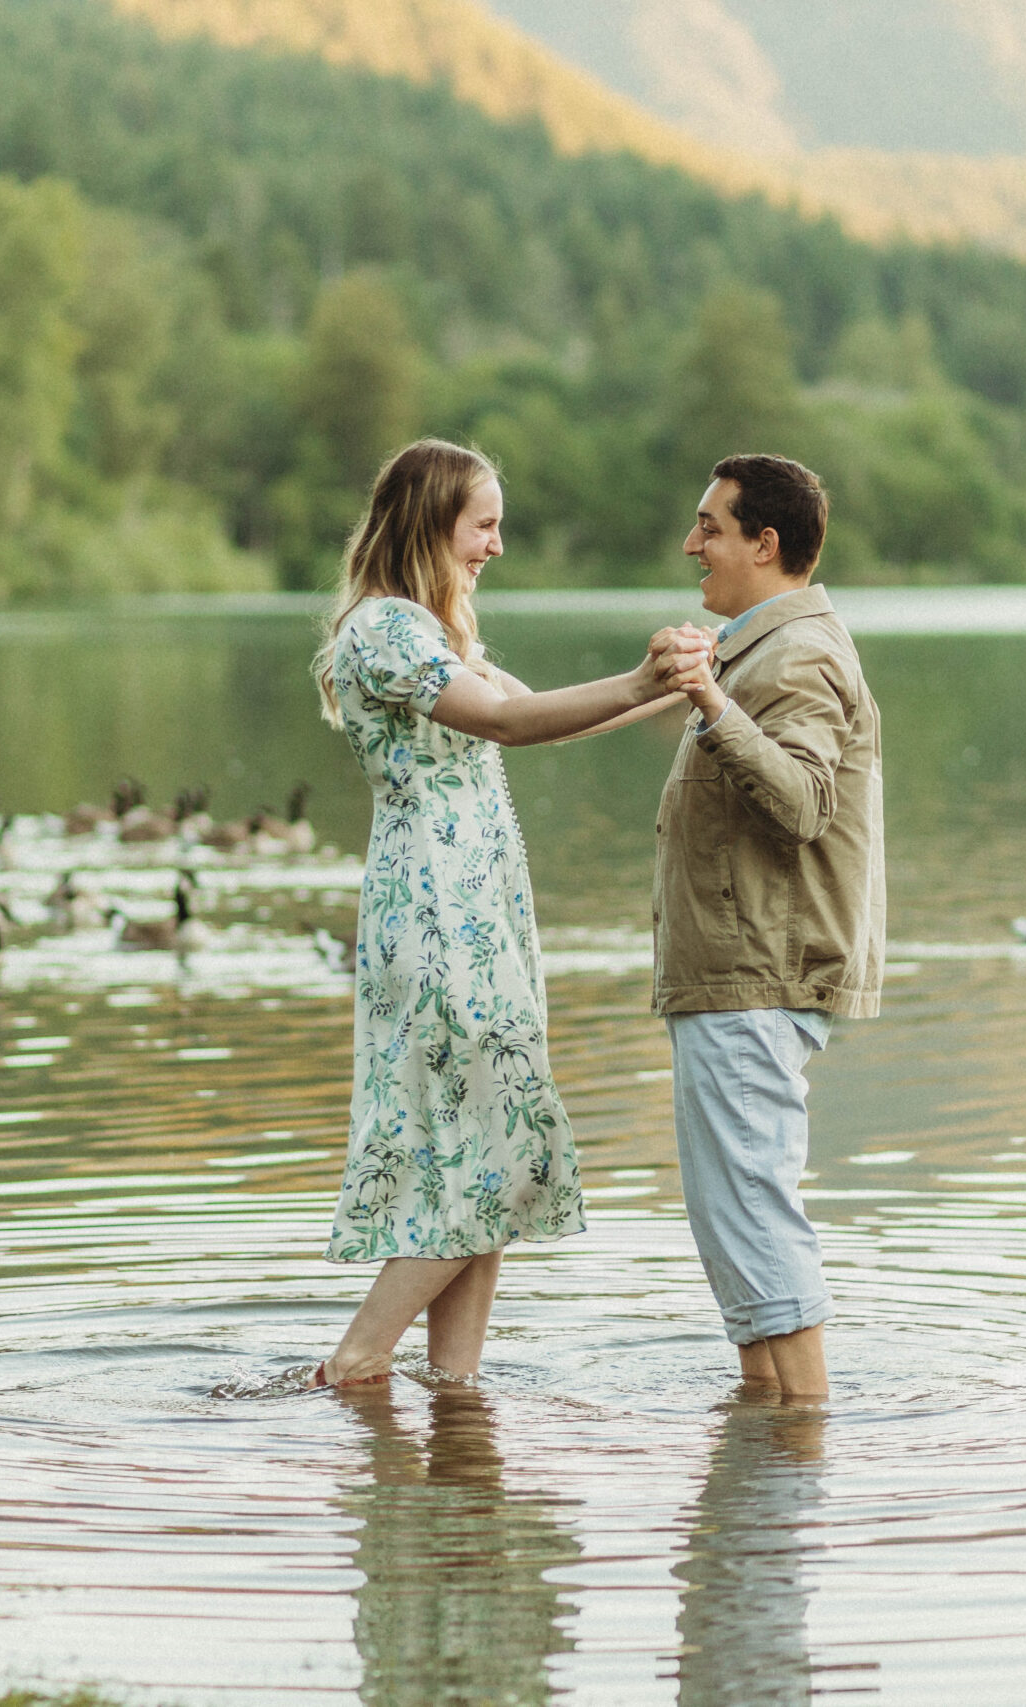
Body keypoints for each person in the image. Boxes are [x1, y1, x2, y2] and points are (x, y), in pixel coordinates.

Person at [308, 438, 711, 1390]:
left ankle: (455, 1391)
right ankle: (358, 1360)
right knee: (493, 1151)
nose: (496, 544)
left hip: (477, 909)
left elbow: (552, 714)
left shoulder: (438, 633)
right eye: (483, 524)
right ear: (430, 521)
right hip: (439, 914)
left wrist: (683, 685)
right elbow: (503, 723)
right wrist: (645, 684)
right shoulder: (388, 632)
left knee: (483, 1154)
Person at [653, 454, 886, 1403]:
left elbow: (802, 803)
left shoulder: (800, 654)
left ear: (766, 543)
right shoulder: (758, 648)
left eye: (709, 525)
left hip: (758, 978)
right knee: (732, 1221)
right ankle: (766, 1439)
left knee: (753, 1213)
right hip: (731, 976)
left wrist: (710, 702)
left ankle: (799, 1444)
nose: (691, 544)